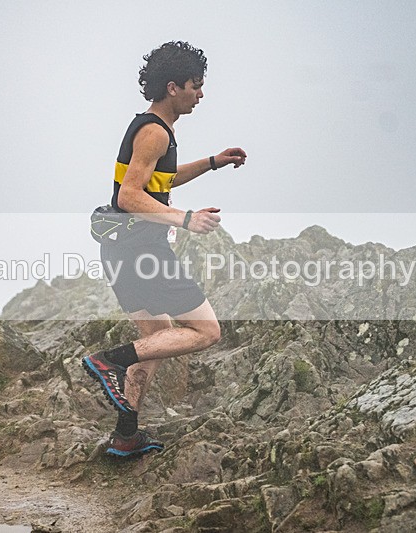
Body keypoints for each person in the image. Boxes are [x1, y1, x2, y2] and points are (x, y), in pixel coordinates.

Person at [82, 41, 247, 457]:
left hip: (121, 251)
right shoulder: (155, 132)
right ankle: (109, 360)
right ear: (174, 87)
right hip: (142, 251)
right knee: (206, 331)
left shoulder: (155, 129)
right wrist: (186, 219)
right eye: (196, 85)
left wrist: (213, 161)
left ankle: (125, 436)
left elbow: (162, 182)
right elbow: (130, 197)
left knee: (156, 340)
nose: (201, 93)